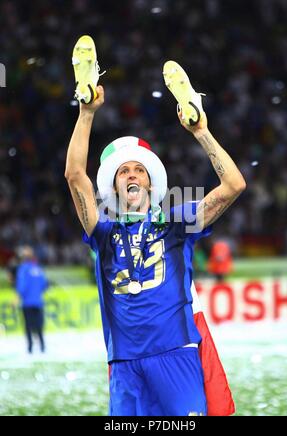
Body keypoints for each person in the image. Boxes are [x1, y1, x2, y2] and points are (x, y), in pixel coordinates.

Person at [65, 36, 246, 416]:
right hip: (125, 365)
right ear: (114, 185)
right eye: (123, 171)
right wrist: (87, 112)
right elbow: (74, 175)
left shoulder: (177, 222)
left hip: (176, 354)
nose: (131, 175)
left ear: (150, 182)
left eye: (138, 170)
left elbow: (233, 186)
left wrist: (201, 132)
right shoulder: (104, 232)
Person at [16, 246, 49, 354]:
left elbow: (22, 287)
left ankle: (30, 348)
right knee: (39, 326)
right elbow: (44, 284)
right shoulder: (38, 269)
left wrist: (17, 297)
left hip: (27, 303)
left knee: (28, 326)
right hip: (38, 302)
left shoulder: (23, 269)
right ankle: (42, 347)